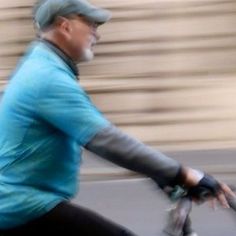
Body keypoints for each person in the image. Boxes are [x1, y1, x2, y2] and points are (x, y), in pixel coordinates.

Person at [0, 0, 233, 235]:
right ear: (65, 26)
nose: (97, 34)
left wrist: (162, 174)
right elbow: (108, 141)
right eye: (91, 24)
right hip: (21, 206)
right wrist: (182, 173)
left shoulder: (42, 66)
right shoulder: (47, 78)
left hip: (24, 203)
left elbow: (103, 138)